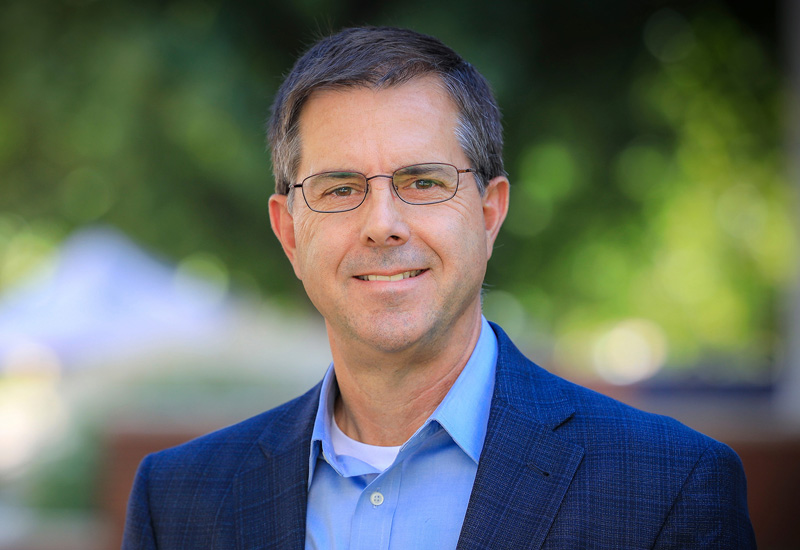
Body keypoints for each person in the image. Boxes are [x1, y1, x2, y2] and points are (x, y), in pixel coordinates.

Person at [122, 26, 756, 549]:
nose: (382, 225)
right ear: (289, 233)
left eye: (423, 182)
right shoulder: (177, 502)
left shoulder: (668, 488)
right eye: (340, 189)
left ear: (488, 213)